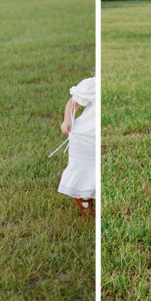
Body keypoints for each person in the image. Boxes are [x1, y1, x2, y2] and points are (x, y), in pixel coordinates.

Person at [56, 76, 95, 216]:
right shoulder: (94, 84)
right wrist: (67, 120)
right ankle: (84, 200)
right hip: (85, 137)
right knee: (85, 174)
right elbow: (73, 102)